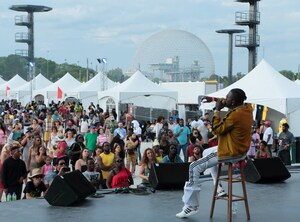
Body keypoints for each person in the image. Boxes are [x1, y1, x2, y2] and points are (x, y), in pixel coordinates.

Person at [176, 88, 253, 218]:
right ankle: (219, 189)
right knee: (206, 152)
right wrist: (212, 99)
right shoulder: (247, 109)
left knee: (193, 166)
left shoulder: (235, 115)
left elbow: (216, 130)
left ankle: (191, 206)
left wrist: (216, 111)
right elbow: (227, 102)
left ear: (233, 102)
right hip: (240, 150)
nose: (224, 99)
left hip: (229, 152)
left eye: (227, 97)